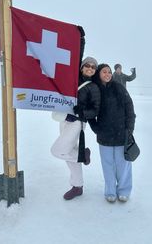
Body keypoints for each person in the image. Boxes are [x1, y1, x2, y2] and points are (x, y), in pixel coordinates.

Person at [51, 56, 101, 200]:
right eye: (87, 65)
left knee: (57, 151)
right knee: (70, 153)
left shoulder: (94, 87)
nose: (90, 68)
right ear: (82, 67)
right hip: (65, 119)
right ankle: (77, 186)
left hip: (77, 123)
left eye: (93, 67)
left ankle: (83, 155)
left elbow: (95, 110)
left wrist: (81, 112)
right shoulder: (72, 79)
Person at [89, 64, 136, 203]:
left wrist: (130, 130)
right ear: (98, 74)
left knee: (123, 164)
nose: (108, 74)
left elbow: (130, 109)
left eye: (109, 72)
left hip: (122, 134)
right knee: (107, 165)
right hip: (104, 136)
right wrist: (96, 128)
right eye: (104, 72)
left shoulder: (118, 87)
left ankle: (124, 191)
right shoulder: (95, 89)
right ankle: (110, 191)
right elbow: (91, 112)